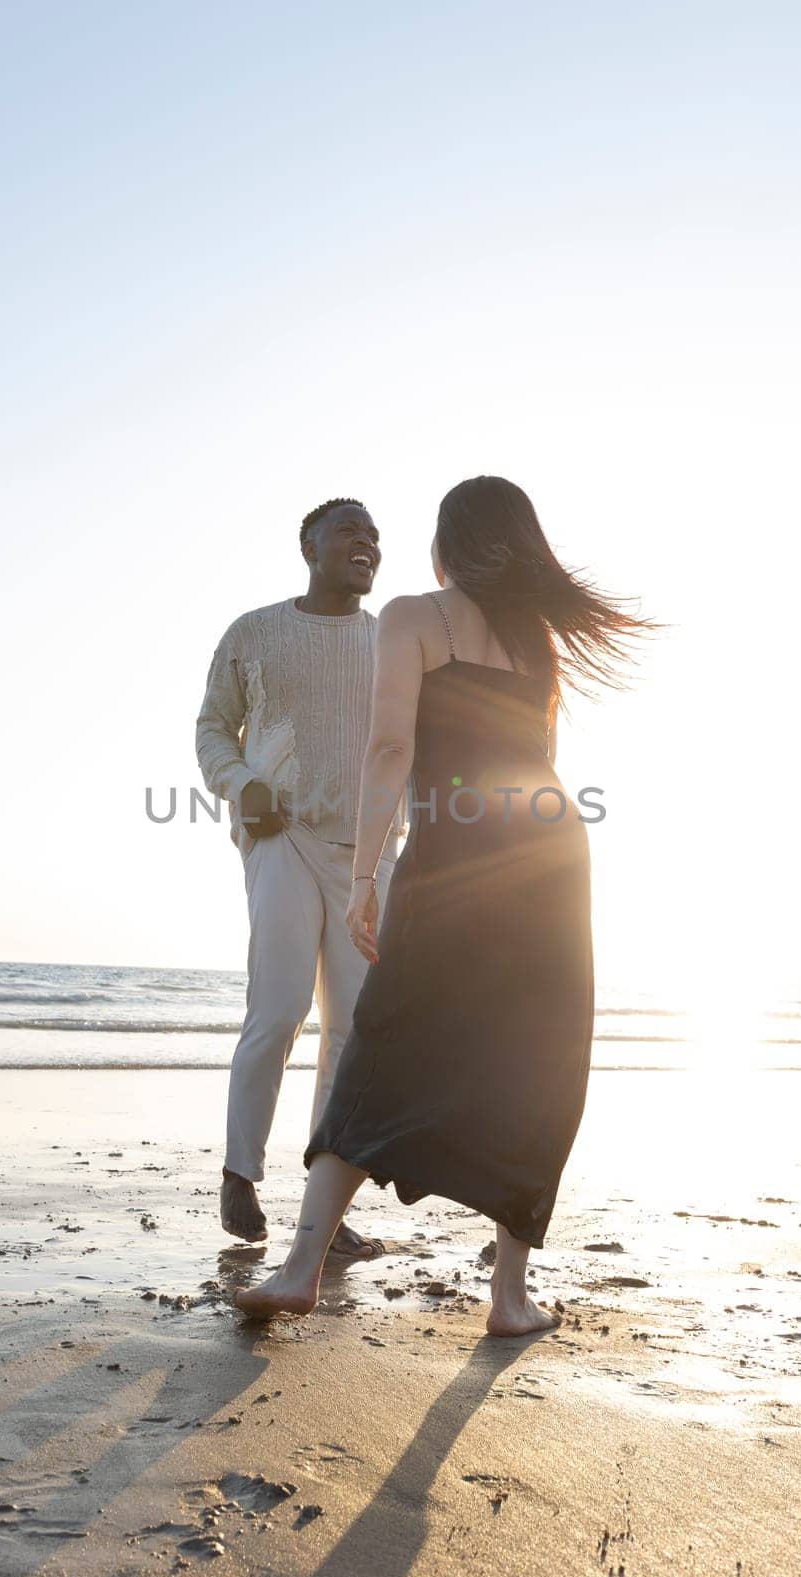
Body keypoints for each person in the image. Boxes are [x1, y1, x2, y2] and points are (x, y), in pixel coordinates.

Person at [235, 475, 654, 1335]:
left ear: (448, 543)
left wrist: (362, 879)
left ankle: (299, 1269)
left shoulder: (412, 617)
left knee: (383, 1037)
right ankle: (508, 1298)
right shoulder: (537, 640)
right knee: (531, 1063)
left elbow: (389, 746)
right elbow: (538, 757)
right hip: (546, 852)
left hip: (455, 854)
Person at [196, 498, 407, 1259]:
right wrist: (239, 783)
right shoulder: (253, 632)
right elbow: (212, 726)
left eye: (375, 537)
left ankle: (326, 1203)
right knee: (279, 1009)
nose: (366, 543)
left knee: (349, 1030)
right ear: (308, 546)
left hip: (366, 855)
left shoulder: (391, 642)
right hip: (279, 836)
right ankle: (238, 1173)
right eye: (350, 530)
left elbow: (408, 748)